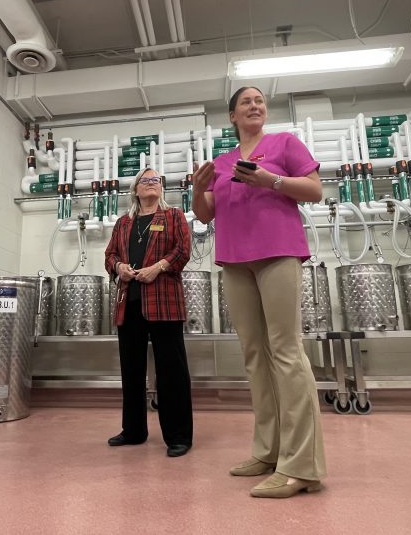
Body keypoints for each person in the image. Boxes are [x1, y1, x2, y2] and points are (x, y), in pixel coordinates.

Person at [191, 86, 326, 498]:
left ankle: (301, 466)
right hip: (235, 260)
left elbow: (315, 190)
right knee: (254, 355)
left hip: (279, 252)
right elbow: (205, 213)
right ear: (232, 116)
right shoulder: (223, 162)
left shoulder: (284, 143)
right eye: (246, 102)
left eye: (260, 101)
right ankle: (268, 452)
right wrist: (197, 189)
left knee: (285, 350)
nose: (255, 106)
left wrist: (272, 180)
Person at [104, 167, 193, 457]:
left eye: (156, 180)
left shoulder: (174, 216)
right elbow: (110, 255)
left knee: (172, 371)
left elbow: (183, 250)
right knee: (131, 371)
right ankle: (133, 430)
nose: (152, 183)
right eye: (146, 180)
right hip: (129, 303)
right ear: (136, 189)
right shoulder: (123, 223)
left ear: (162, 188)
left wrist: (158, 267)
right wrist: (119, 268)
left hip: (164, 302)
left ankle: (178, 436)